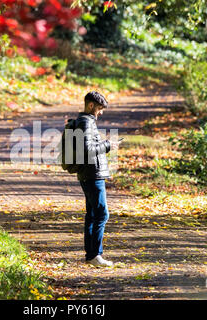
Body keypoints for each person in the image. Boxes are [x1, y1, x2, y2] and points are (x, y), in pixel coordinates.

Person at [74, 91, 120, 267]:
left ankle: (91, 256)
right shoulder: (86, 122)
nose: (101, 112)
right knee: (101, 214)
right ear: (91, 105)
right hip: (92, 174)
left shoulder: (86, 121)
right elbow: (87, 149)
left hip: (90, 173)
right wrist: (108, 145)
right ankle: (95, 254)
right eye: (100, 108)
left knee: (92, 214)